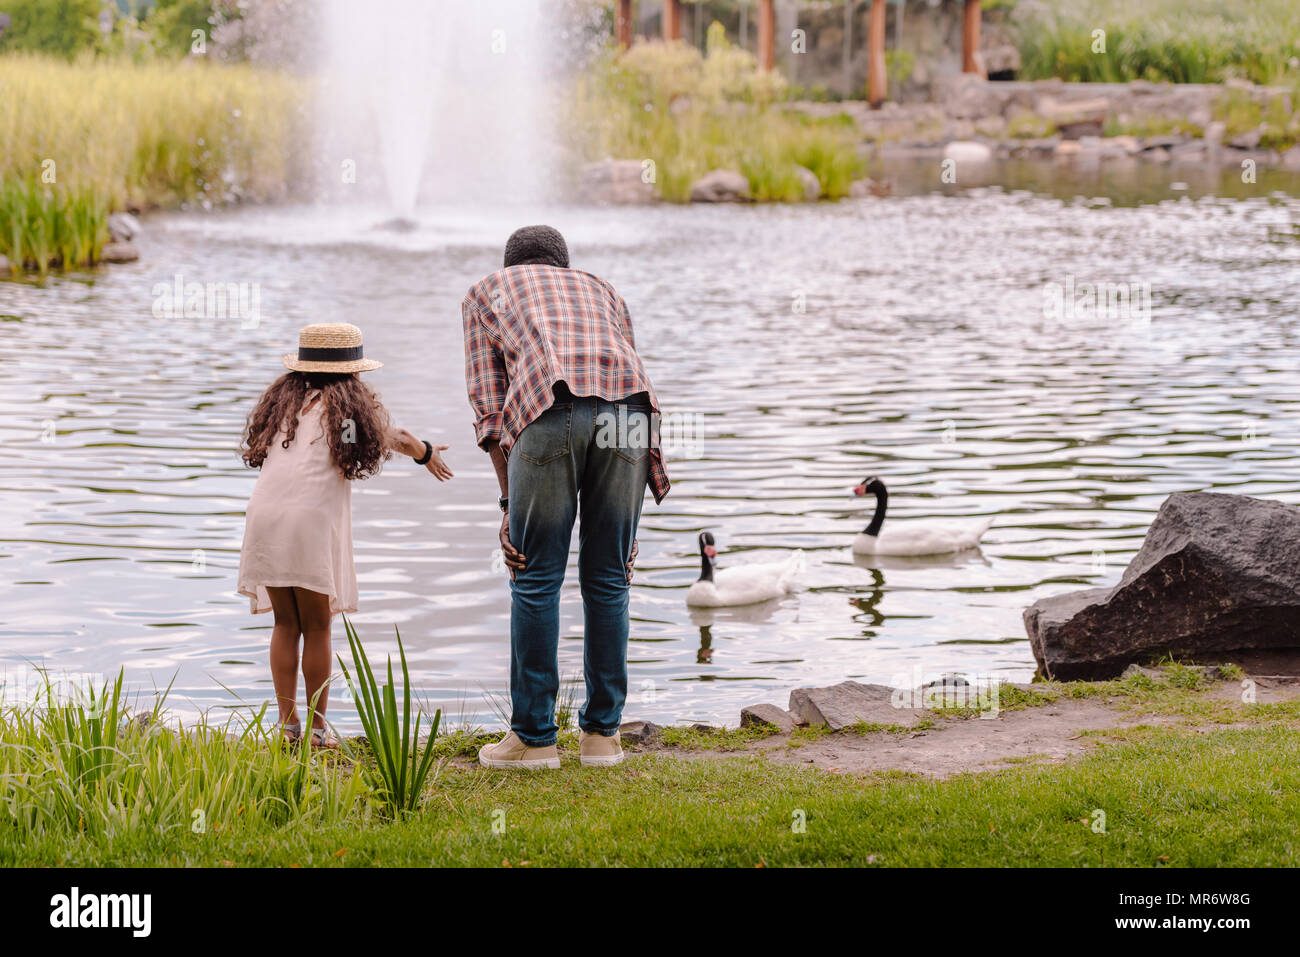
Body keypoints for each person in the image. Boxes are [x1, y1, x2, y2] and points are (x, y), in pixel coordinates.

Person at [464, 225, 669, 769]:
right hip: (629, 419)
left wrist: (509, 508)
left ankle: (534, 741)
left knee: (534, 575)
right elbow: (626, 373)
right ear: (564, 264)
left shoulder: (488, 291)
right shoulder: (602, 288)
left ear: (512, 266)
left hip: (549, 410)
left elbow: (490, 410)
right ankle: (602, 738)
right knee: (608, 575)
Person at [237, 322, 452, 748]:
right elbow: (399, 439)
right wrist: (425, 453)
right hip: (309, 522)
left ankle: (287, 728)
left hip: (264, 516)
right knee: (317, 627)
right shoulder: (348, 413)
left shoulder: (283, 406)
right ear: (352, 372)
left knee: (285, 623)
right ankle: (316, 732)